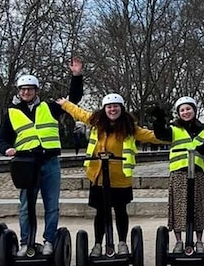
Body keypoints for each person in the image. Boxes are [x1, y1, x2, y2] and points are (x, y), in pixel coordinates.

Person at [0, 57, 83, 256]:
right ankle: (25, 243)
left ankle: (49, 241)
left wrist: (76, 75)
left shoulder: (49, 108)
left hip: (49, 162)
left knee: (51, 205)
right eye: (22, 89)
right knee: (26, 206)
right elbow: (3, 139)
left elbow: (74, 100)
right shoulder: (11, 113)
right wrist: (7, 149)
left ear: (36, 91)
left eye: (30, 89)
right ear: (19, 91)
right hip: (26, 164)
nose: (26, 92)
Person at [58, 92, 157, 256]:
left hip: (120, 177)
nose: (112, 110)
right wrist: (65, 104)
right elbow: (80, 114)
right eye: (109, 107)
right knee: (101, 212)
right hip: (98, 177)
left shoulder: (130, 128)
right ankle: (98, 244)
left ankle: (122, 243)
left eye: (115, 107)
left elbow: (151, 136)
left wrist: (174, 136)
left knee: (120, 211)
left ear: (121, 109)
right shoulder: (96, 123)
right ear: (104, 109)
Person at [151, 96, 204, 254]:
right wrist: (158, 120)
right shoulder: (174, 129)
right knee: (178, 208)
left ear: (194, 110)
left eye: (188, 109)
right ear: (178, 113)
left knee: (198, 207)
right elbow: (160, 134)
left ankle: (199, 241)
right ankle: (179, 241)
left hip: (197, 173)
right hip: (179, 173)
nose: (185, 112)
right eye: (182, 110)